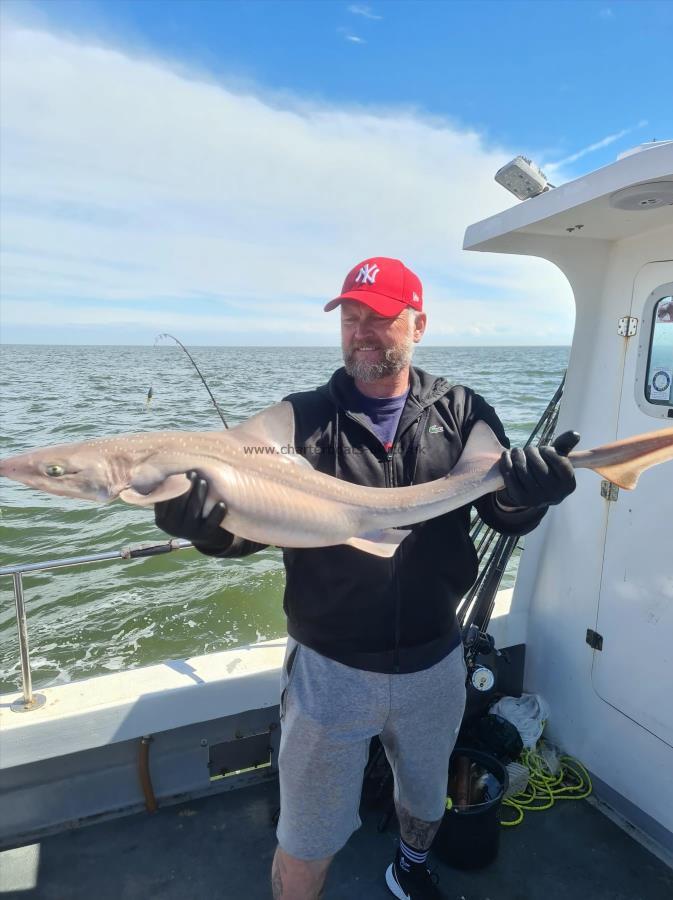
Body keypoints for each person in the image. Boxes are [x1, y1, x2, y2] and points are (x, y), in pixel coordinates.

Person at [154, 257, 577, 900]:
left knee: (426, 796)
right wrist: (209, 522)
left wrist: (530, 491)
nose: (362, 331)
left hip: (435, 659)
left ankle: (409, 863)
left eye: (381, 319)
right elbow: (246, 524)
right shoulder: (296, 424)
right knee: (305, 836)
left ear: (418, 325)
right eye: (352, 317)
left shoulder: (462, 411)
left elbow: (500, 505)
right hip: (331, 668)